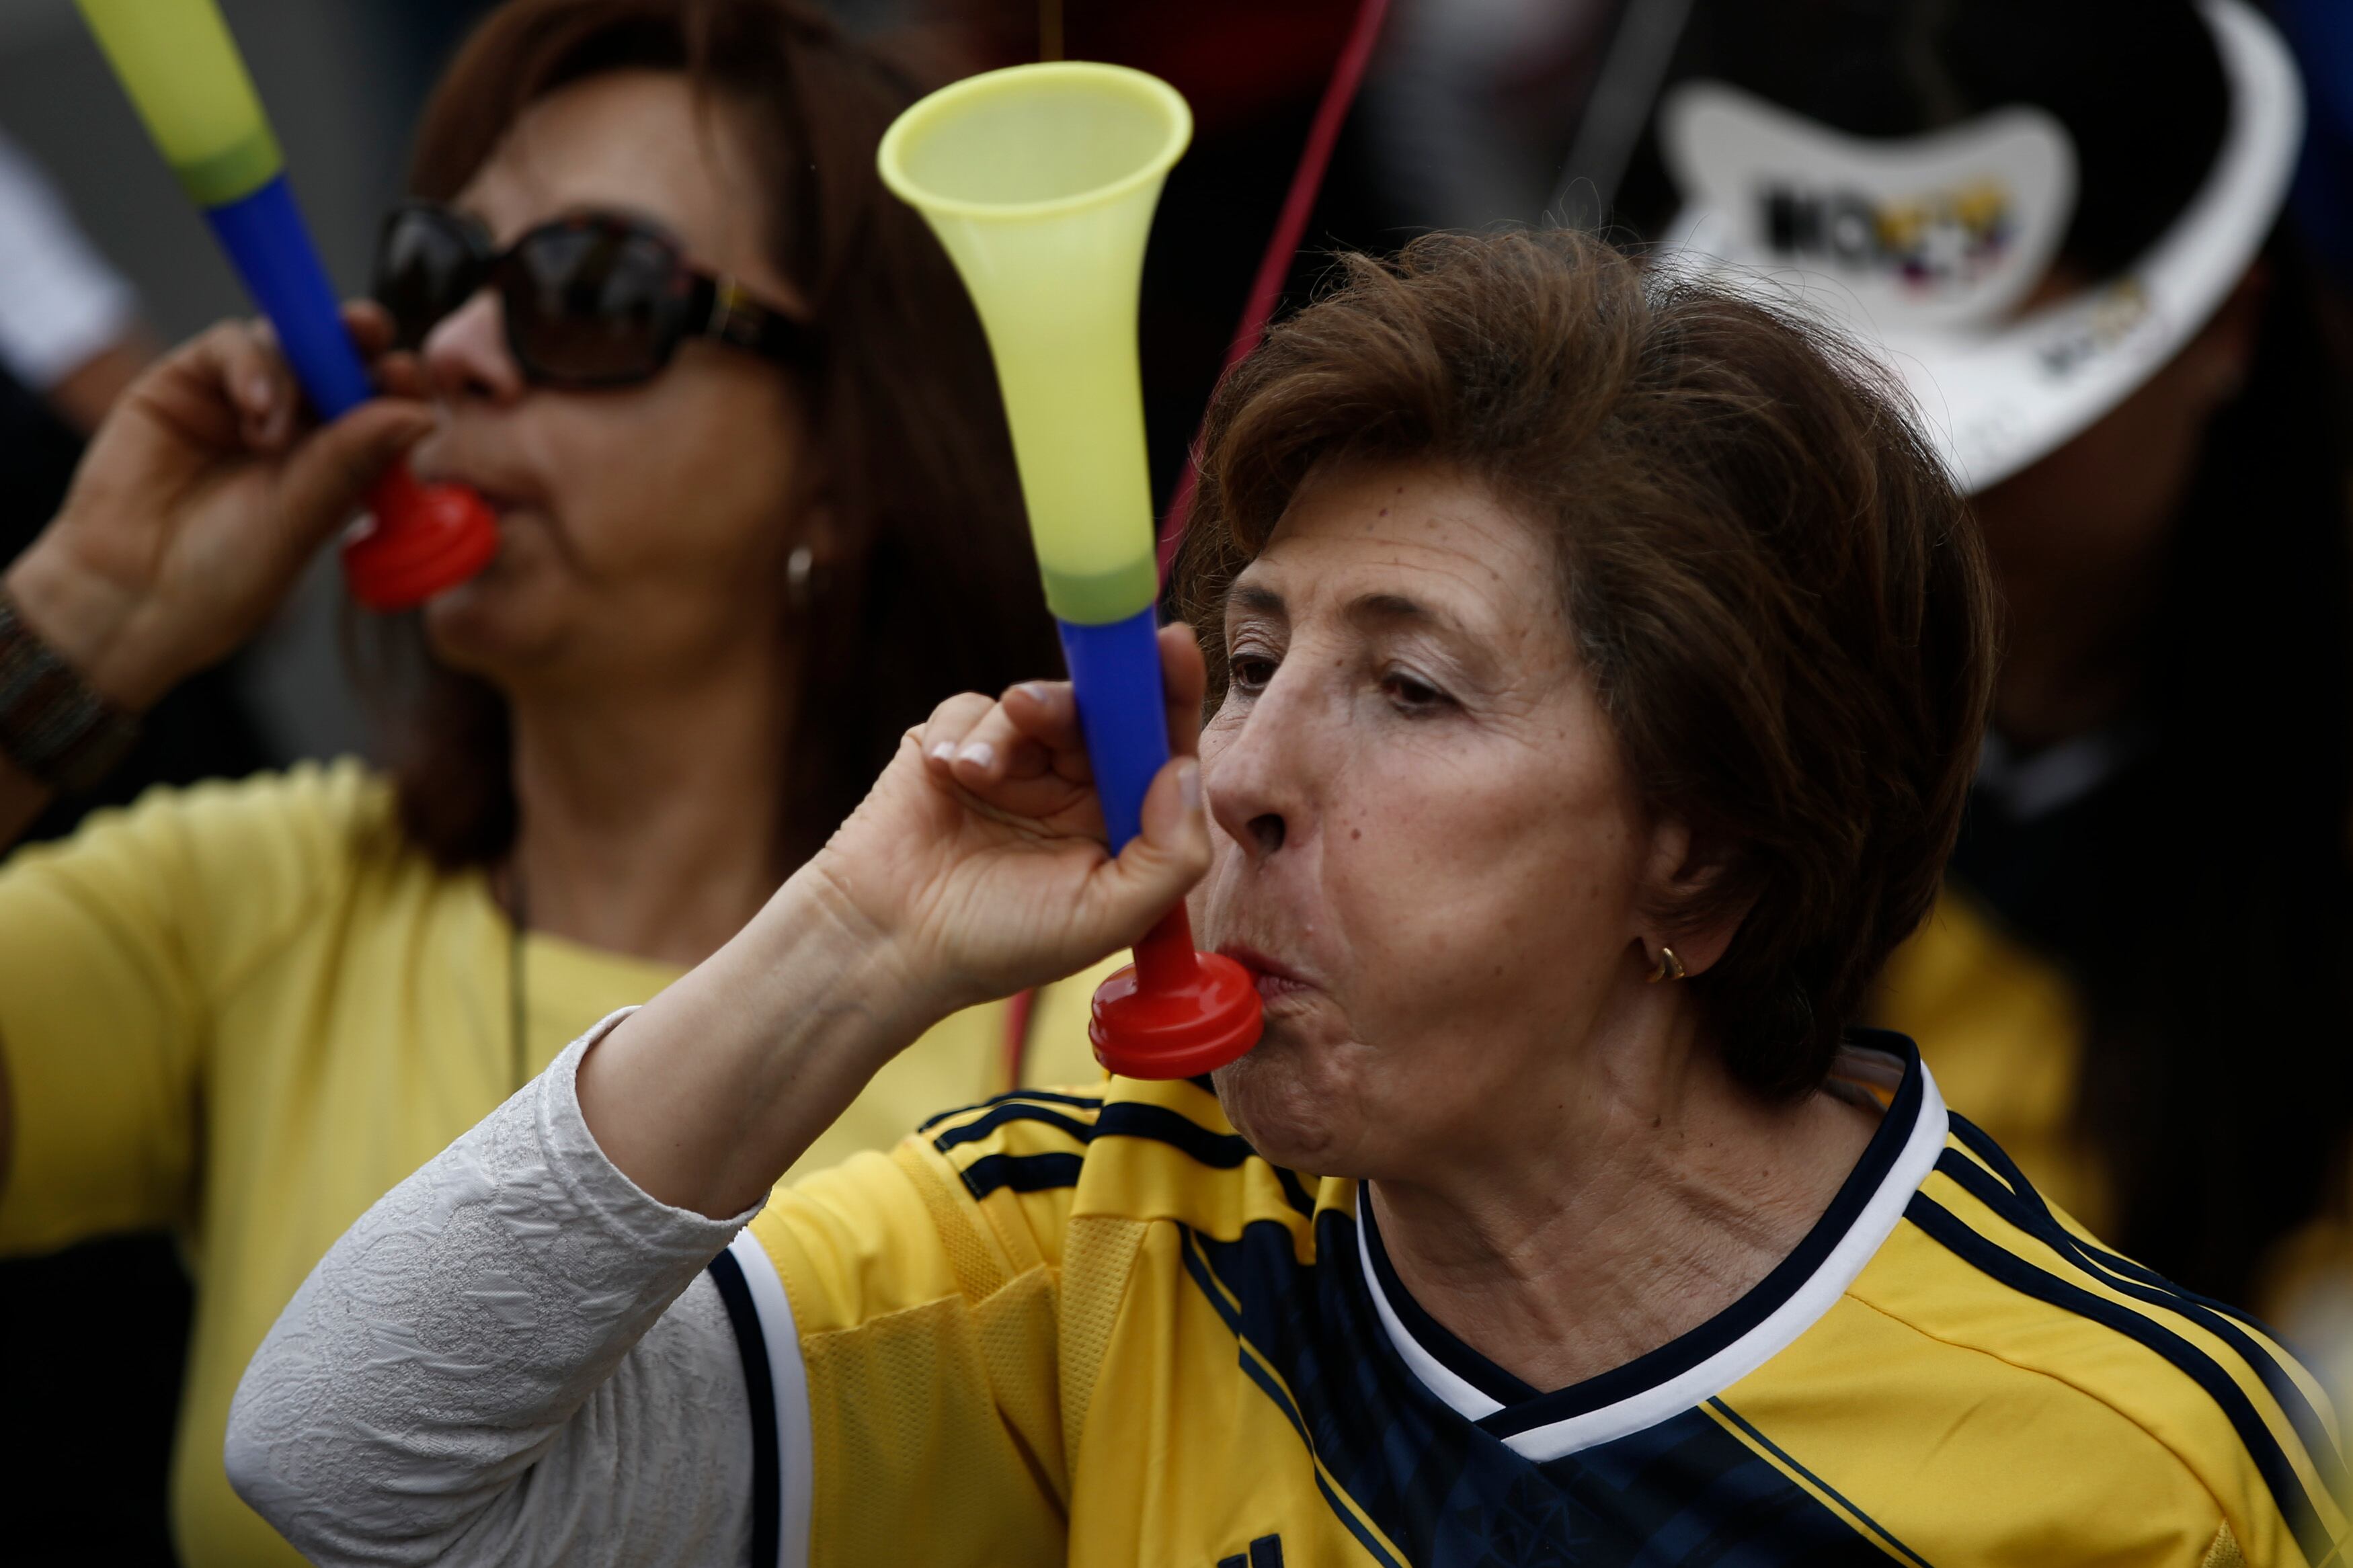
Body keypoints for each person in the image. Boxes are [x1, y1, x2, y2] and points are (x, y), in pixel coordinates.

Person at [228, 230, 2344, 1567]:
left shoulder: (2124, 1467)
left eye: (1406, 687)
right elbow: (352, 1463)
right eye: (1246, 659)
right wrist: (856, 933)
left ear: (1699, 844)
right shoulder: (1085, 1244)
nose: (1232, 770)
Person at [0, 3, 1109, 1563]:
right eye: (444, 273)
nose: (454, 353)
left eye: (589, 293)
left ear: (841, 460)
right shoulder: (257, 901)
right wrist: (69, 631)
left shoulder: (1073, 987)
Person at [1599, 0, 2353, 1326]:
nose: (1901, 501)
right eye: (1834, 410)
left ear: (2226, 330)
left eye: (1982, 427)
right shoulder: (1656, 706)